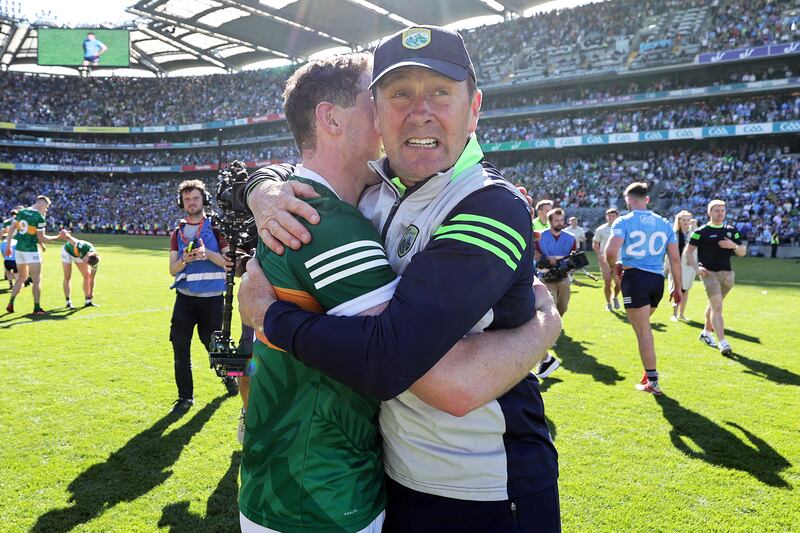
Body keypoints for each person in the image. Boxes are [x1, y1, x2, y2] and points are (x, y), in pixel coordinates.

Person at [240, 26, 562, 532]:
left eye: (440, 92)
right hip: (396, 479)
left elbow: (432, 378)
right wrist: (262, 190)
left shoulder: (490, 206)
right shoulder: (374, 192)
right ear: (377, 115)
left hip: (484, 487)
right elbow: (306, 165)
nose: (420, 111)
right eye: (398, 95)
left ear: (474, 108)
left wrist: (270, 318)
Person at [605, 182, 681, 395]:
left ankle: (653, 381)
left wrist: (614, 267)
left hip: (635, 278)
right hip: (657, 281)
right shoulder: (664, 223)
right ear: (647, 199)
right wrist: (678, 288)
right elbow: (675, 259)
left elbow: (611, 251)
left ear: (628, 199)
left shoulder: (624, 220)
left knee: (643, 333)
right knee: (644, 327)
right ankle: (649, 372)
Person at [168, 180, 237, 414]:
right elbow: (172, 270)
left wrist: (208, 254)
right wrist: (183, 261)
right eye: (187, 199)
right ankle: (184, 398)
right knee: (179, 347)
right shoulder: (177, 232)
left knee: (214, 345)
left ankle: (230, 376)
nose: (191, 202)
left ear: (204, 199)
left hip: (212, 300)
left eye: (195, 198)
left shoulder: (216, 228)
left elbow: (229, 264)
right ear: (181, 202)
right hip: (185, 299)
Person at [684, 199, 746, 356]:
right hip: (709, 274)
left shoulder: (732, 231)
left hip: (728, 275)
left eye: (722, 210)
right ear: (709, 213)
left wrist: (733, 245)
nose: (720, 213)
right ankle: (723, 342)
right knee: (717, 307)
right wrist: (697, 268)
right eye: (717, 210)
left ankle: (706, 333)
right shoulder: (701, 232)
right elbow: (688, 252)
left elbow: (742, 252)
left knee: (713, 305)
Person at [4, 196, 68, 314]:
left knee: (21, 278)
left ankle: (11, 302)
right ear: (42, 204)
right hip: (31, 251)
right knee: (37, 279)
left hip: (19, 250)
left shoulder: (21, 212)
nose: (46, 210)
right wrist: (58, 237)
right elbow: (42, 238)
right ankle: (36, 308)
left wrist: (8, 247)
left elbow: (12, 229)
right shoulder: (39, 217)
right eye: (47, 207)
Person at [667, 210, 696, 322]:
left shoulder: (693, 233)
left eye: (688, 220)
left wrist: (695, 228)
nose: (686, 222)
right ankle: (674, 314)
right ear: (678, 220)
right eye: (683, 220)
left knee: (686, 289)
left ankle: (682, 314)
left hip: (688, 265)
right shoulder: (674, 233)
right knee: (677, 289)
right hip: (676, 264)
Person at [593, 207, 621, 311]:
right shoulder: (601, 229)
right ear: (606, 217)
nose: (611, 218)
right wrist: (599, 254)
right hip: (605, 260)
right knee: (607, 282)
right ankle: (608, 302)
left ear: (617, 217)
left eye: (613, 216)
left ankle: (615, 297)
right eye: (609, 216)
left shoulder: (622, 228)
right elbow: (595, 243)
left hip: (619, 259)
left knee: (619, 282)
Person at [61, 234, 101, 308]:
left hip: (79, 255)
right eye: (86, 261)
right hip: (67, 251)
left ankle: (88, 300)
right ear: (88, 255)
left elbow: (92, 278)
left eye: (87, 263)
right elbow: (69, 238)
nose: (85, 263)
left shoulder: (94, 262)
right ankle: (68, 302)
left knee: (87, 276)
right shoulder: (82, 246)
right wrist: (65, 234)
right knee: (67, 276)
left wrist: (91, 292)